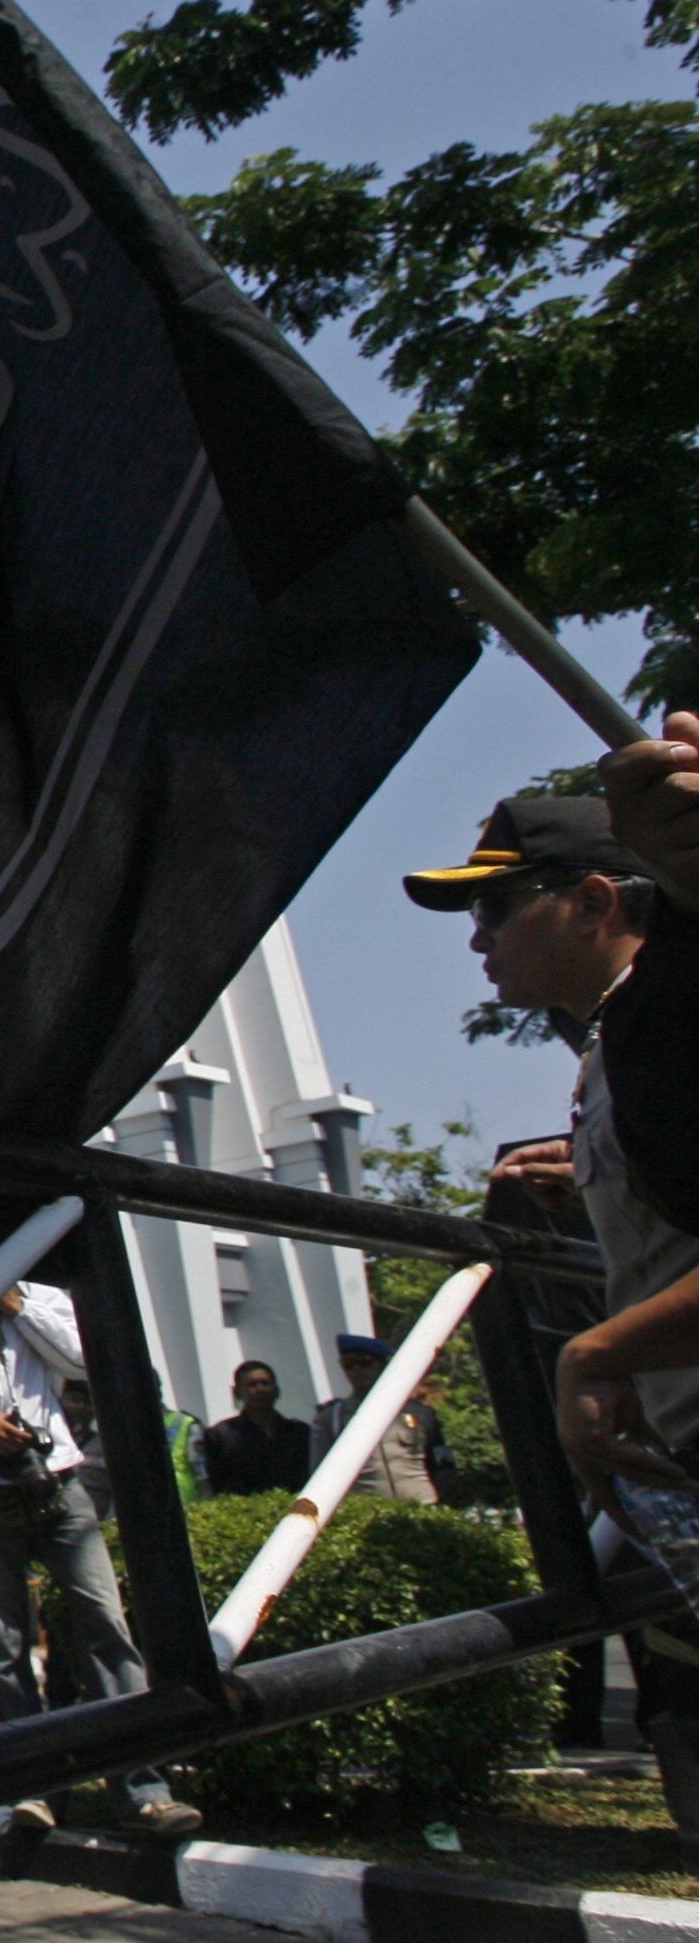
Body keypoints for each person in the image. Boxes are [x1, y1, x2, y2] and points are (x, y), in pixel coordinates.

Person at [407, 779, 699, 1841]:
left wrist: (599, 1354)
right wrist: (594, 1168)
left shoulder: (667, 1024)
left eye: (496, 906)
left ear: (591, 902)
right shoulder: (618, 1047)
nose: (477, 940)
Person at [0, 1258, 204, 1839]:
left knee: (106, 1625)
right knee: (5, 1650)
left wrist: (14, 1303)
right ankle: (30, 1790)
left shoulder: (26, 1283)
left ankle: (142, 1787)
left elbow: (82, 1359)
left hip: (57, 1481)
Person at [310, 1333, 449, 1503]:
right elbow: (320, 1476)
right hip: (368, 1514)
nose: (356, 1371)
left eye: (365, 1363)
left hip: (422, 1507)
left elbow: (442, 1465)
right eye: (349, 1365)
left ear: (382, 1365)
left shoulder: (420, 1413)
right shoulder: (330, 1418)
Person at [197, 1359, 316, 1498]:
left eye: (265, 1383)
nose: (260, 1390)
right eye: (251, 1385)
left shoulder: (299, 1433)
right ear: (237, 1392)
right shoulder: (220, 1436)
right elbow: (215, 1486)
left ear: (276, 1390)